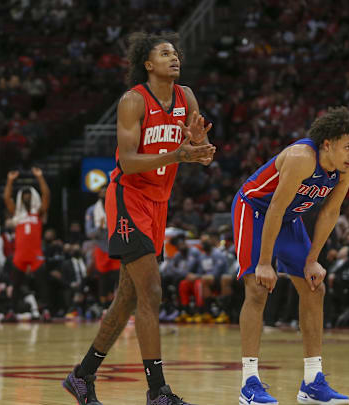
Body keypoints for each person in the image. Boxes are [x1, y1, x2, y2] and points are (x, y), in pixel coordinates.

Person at [63, 31, 215, 405]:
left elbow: (200, 154)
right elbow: (127, 162)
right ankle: (158, 391)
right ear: (148, 64)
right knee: (151, 291)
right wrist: (179, 155)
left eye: (175, 52)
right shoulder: (134, 100)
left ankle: (81, 376)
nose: (174, 57)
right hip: (128, 198)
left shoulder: (187, 96)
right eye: (165, 53)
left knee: (127, 300)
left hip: (159, 203)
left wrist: (198, 148)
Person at [233, 106, 349, 405]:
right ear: (327, 144)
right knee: (257, 289)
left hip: (289, 219)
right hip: (255, 210)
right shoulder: (301, 158)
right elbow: (275, 209)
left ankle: (312, 382)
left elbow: (331, 211)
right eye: (347, 146)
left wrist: (312, 260)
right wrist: (265, 262)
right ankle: (249, 382)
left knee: (314, 288)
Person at [3, 167, 50, 320]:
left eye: (29, 195)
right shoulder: (17, 214)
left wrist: (40, 177)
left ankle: (45, 310)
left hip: (36, 254)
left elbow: (46, 195)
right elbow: (6, 198)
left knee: (42, 284)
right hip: (20, 254)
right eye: (24, 195)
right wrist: (10, 181)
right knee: (15, 284)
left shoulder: (39, 212)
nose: (27, 197)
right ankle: (11, 310)